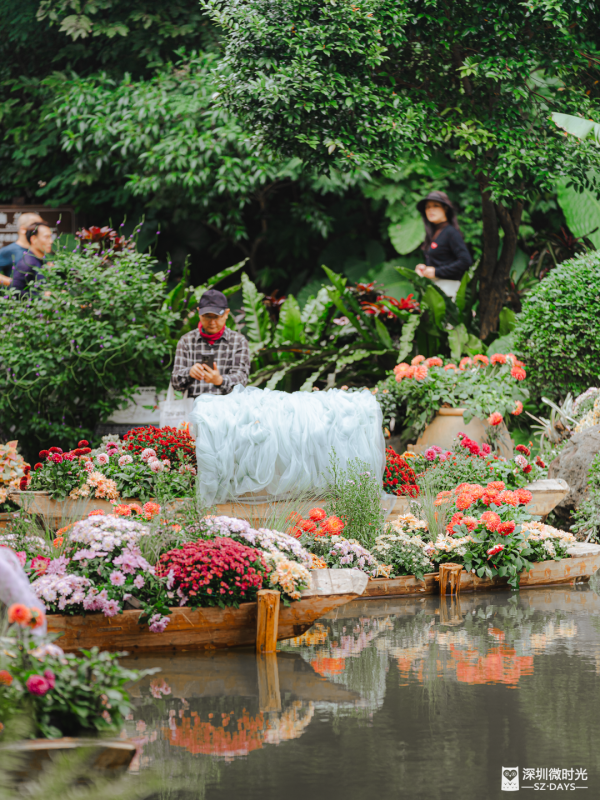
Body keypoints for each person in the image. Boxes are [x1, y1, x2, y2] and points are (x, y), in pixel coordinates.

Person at [171, 288, 251, 396]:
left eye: (217, 317)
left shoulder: (238, 342)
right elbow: (175, 383)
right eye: (207, 316)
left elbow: (241, 380)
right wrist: (189, 373)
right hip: (194, 409)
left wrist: (219, 380)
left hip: (227, 410)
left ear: (226, 313)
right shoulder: (186, 341)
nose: (212, 322)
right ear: (199, 313)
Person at [414, 190, 472, 300]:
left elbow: (465, 261)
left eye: (435, 206)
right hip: (435, 289)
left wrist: (436, 272)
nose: (431, 210)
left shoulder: (450, 232)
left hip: (449, 290)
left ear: (445, 208)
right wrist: (424, 269)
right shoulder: (434, 233)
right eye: (428, 207)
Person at [0, 211, 43, 287]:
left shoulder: (39, 250)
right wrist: (15, 283)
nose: (40, 228)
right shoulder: (9, 250)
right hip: (19, 296)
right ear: (23, 229)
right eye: (35, 225)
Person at [10, 221, 54, 296]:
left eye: (50, 237)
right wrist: (42, 296)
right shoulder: (27, 263)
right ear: (34, 239)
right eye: (46, 237)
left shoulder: (42, 260)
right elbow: (14, 291)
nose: (51, 241)